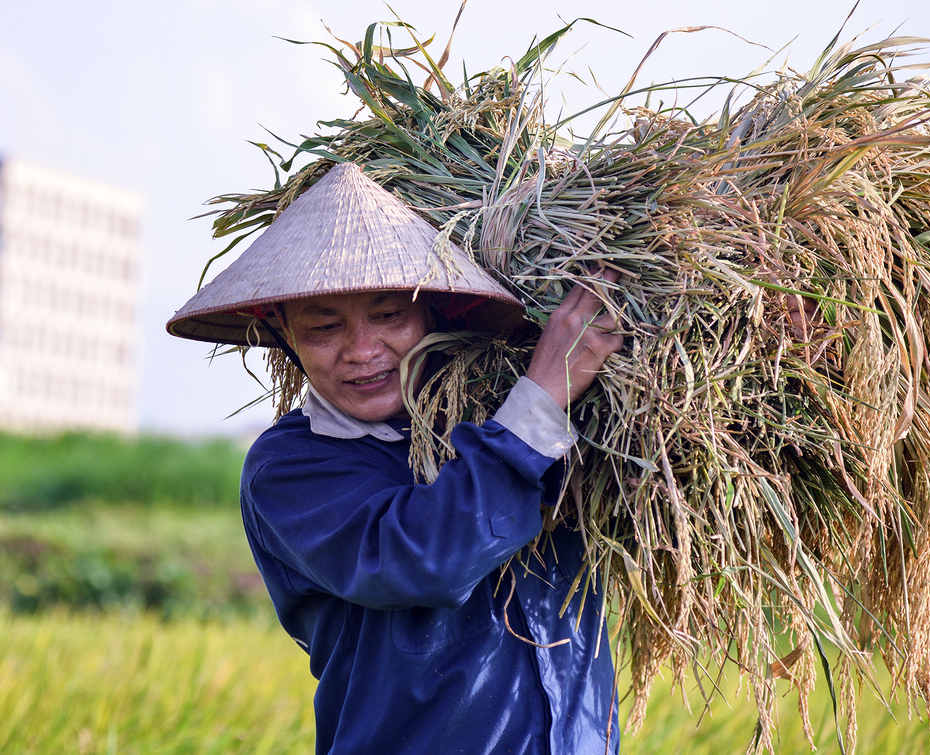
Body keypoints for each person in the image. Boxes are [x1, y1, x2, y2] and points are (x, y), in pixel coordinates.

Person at [166, 162, 625, 754]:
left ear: (431, 310)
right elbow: (426, 557)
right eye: (325, 327)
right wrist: (541, 398)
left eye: (389, 316)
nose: (363, 351)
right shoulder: (291, 469)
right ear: (280, 328)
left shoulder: (511, 420)